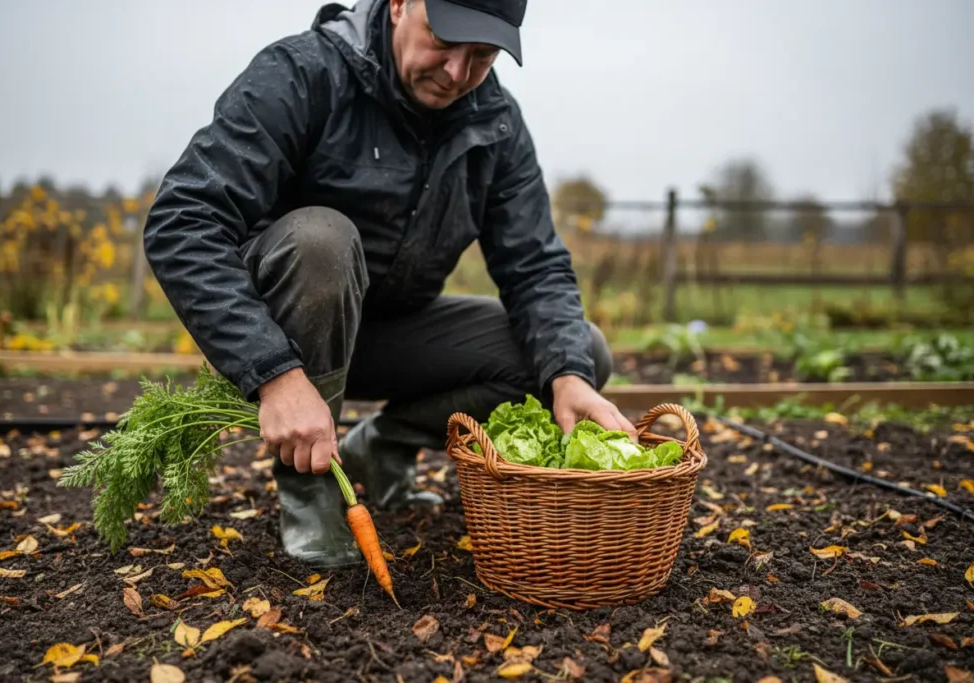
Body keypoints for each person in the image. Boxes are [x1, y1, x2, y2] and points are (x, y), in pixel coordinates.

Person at [142, 0, 636, 569]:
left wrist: (568, 375)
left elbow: (535, 266)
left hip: (391, 337)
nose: (456, 73)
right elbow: (184, 219)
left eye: (481, 55)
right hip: (285, 337)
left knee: (577, 354)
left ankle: (381, 448)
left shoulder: (494, 122)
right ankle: (310, 490)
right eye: (443, 41)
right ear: (400, 4)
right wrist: (273, 373)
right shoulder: (305, 74)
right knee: (320, 239)